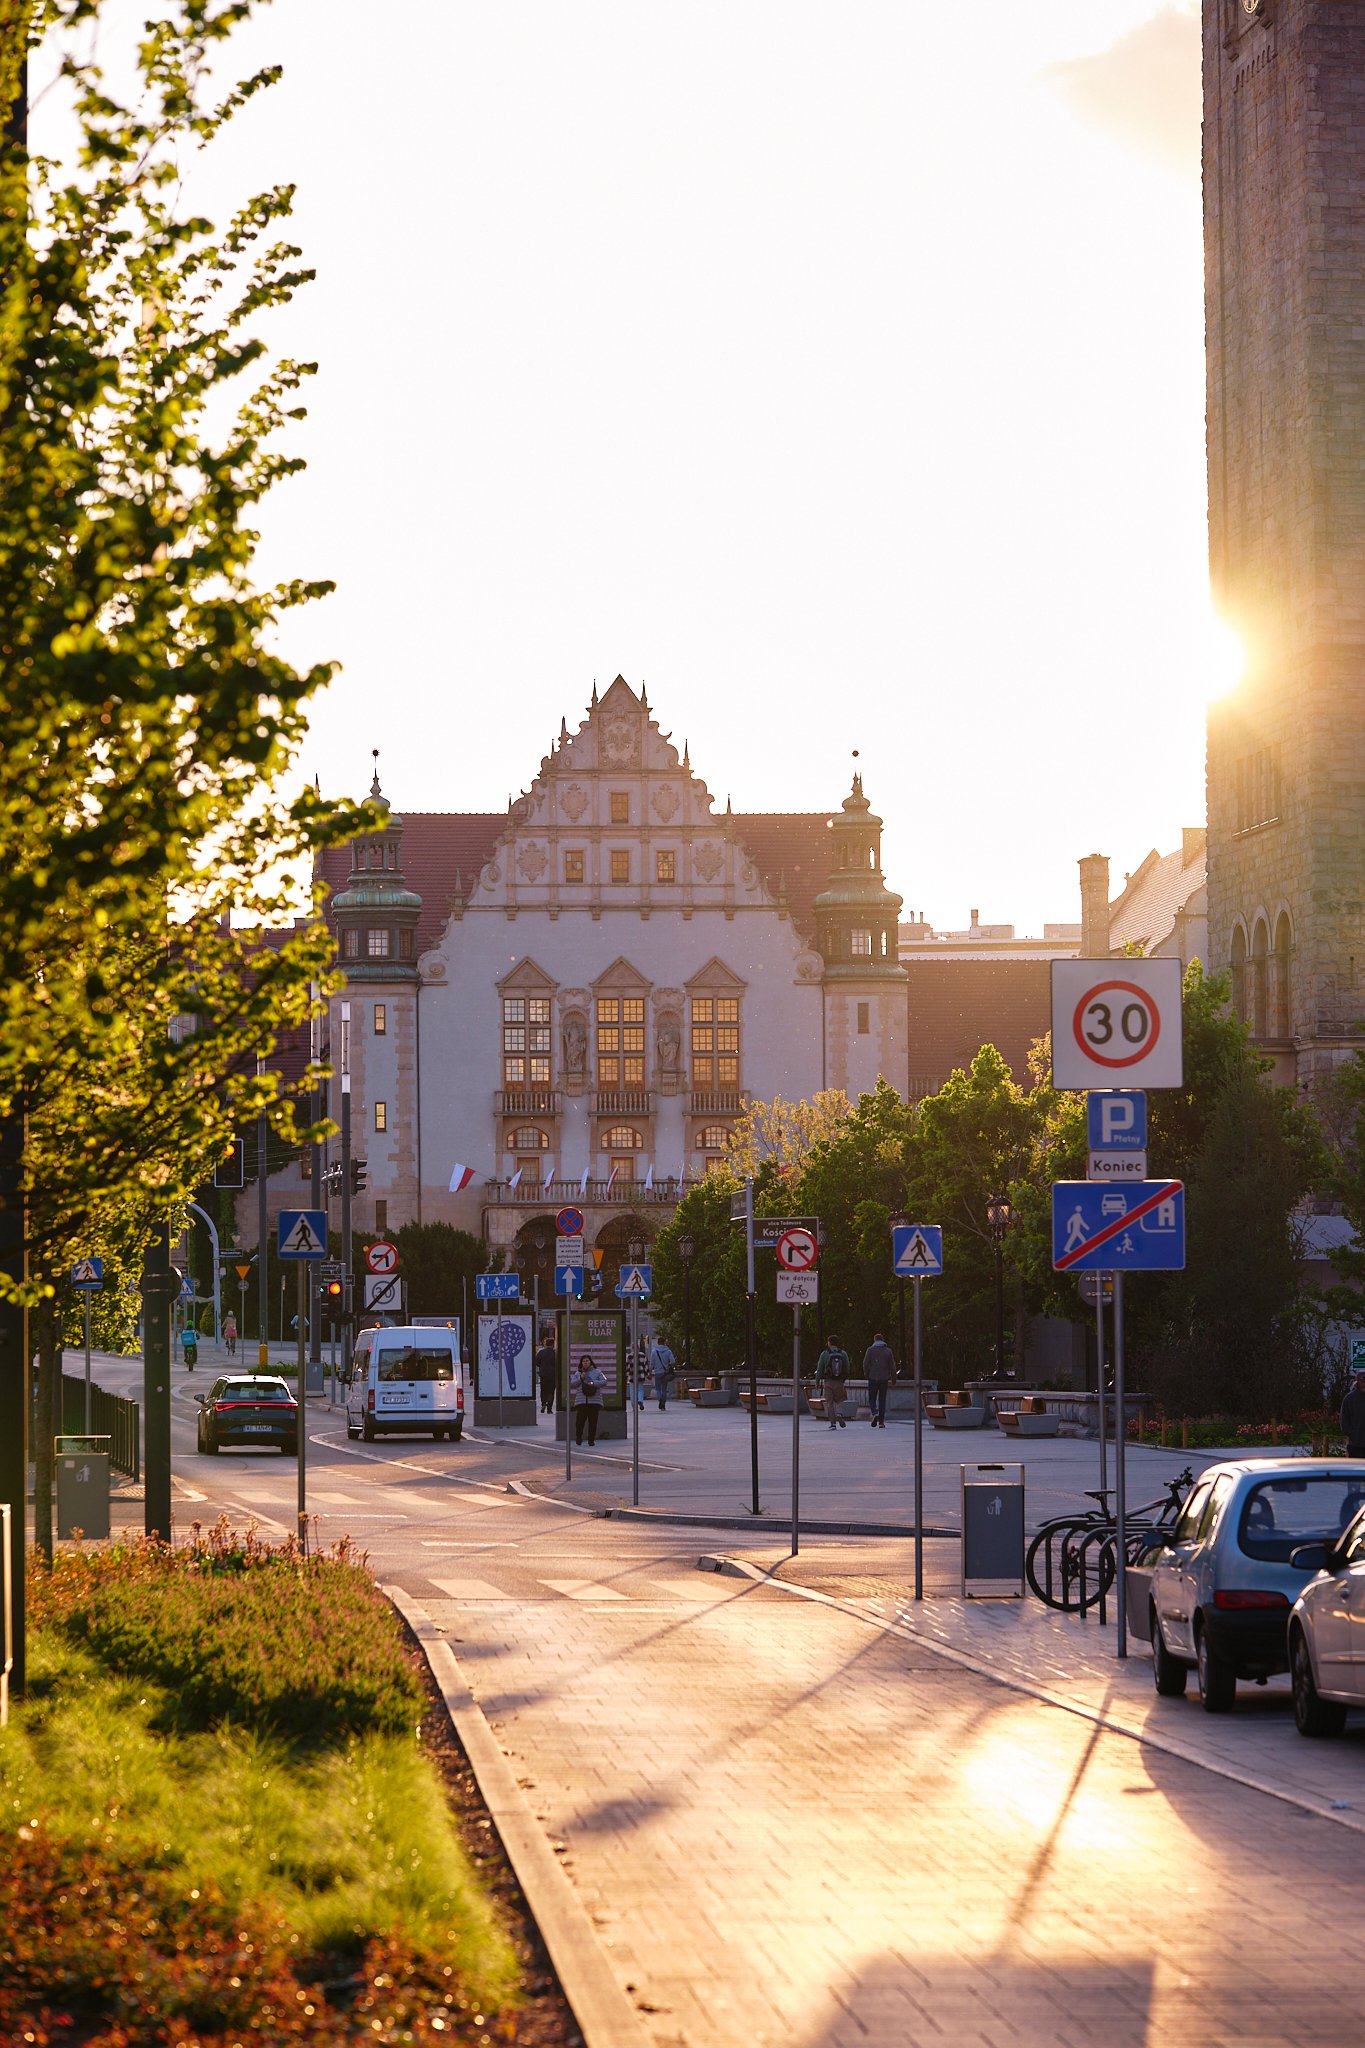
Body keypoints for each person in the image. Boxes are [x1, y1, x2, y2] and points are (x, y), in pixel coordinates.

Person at [863, 1330, 895, 1428]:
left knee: (872, 1398)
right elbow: (892, 1366)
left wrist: (866, 1373)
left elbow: (865, 1363)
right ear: (882, 1340)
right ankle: (881, 1422)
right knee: (882, 1400)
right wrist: (894, 1378)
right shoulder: (888, 1351)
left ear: (874, 1340)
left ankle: (874, 1412)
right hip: (884, 1378)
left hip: (872, 1377)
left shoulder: (870, 1350)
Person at [816, 1334, 850, 1429]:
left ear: (829, 1343)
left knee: (829, 1403)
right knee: (839, 1400)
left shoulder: (824, 1354)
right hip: (839, 1381)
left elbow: (820, 1369)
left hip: (828, 1381)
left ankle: (833, 1424)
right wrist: (843, 1379)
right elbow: (847, 1368)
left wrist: (817, 1382)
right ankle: (839, 1414)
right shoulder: (843, 1354)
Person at [575, 1352, 606, 1447]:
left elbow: (604, 1381)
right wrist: (580, 1378)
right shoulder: (578, 1373)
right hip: (581, 1401)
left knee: (593, 1422)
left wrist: (593, 1383)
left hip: (594, 1401)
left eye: (587, 1360)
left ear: (590, 1362)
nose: (585, 1362)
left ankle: (591, 1439)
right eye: (583, 1361)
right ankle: (578, 1437)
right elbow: (572, 1384)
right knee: (579, 1421)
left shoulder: (598, 1372)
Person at [1341, 1362, 1365, 1457]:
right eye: (1363, 1379)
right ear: (1357, 1381)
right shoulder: (1349, 1399)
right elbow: (1344, 1420)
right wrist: (1353, 1434)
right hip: (1355, 1445)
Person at [649, 1333, 676, 1410]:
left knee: (658, 1389)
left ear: (657, 1342)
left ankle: (659, 1399)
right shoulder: (668, 1351)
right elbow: (673, 1361)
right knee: (664, 1388)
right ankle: (663, 1403)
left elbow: (652, 1363)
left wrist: (650, 1371)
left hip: (657, 1372)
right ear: (664, 1342)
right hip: (665, 1372)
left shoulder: (654, 1352)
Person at [535, 1333, 558, 1414]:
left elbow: (537, 1363)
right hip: (552, 1375)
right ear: (552, 1345)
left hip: (543, 1374)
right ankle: (549, 1408)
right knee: (551, 1391)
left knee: (543, 1390)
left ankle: (543, 1403)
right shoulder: (555, 1353)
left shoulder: (541, 1352)